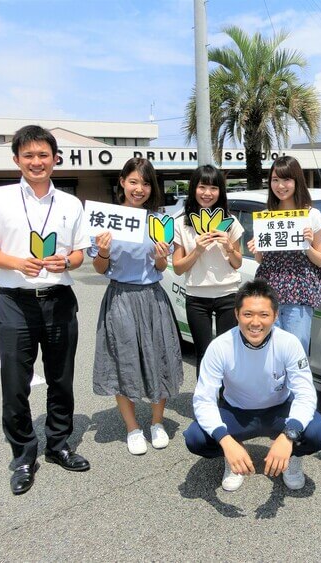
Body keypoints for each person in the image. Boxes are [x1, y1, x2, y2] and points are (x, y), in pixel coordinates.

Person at [0, 125, 91, 496]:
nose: (37, 162)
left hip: (58, 300)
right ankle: (24, 455)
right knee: (14, 383)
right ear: (17, 160)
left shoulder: (71, 204)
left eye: (43, 155)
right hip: (15, 302)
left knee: (61, 379)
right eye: (29, 156)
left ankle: (58, 445)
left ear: (55, 159)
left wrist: (67, 262)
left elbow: (79, 251)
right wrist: (15, 263)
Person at [183, 279, 321, 492]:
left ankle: (292, 456)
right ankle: (234, 454)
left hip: (279, 410)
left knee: (319, 432)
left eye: (264, 315)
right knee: (195, 438)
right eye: (248, 314)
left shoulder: (288, 343)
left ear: (275, 316)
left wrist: (290, 435)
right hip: (237, 412)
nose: (255, 323)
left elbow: (305, 393)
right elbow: (204, 399)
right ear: (236, 314)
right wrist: (225, 441)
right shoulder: (219, 347)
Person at [90, 157, 183, 456]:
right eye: (133, 182)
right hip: (119, 297)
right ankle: (132, 427)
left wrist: (160, 256)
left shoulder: (160, 221)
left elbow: (160, 265)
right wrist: (103, 252)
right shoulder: (108, 219)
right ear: (122, 182)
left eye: (145, 183)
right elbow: (99, 268)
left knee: (159, 358)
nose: (139, 189)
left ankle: (157, 423)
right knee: (122, 360)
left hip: (152, 297)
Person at [246, 156, 321, 355]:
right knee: (269, 353)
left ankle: (296, 388)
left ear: (296, 181)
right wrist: (257, 250)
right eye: (275, 180)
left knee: (295, 353)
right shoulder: (267, 216)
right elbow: (261, 260)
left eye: (286, 180)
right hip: (268, 292)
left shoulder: (312, 215)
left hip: (298, 292)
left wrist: (307, 246)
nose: (280, 186)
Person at [172, 164, 244, 378]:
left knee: (227, 353)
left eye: (214, 188)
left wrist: (229, 247)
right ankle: (206, 403)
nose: (207, 193)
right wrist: (197, 249)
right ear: (194, 189)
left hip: (228, 295)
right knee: (204, 353)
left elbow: (237, 263)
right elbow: (177, 268)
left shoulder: (230, 222)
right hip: (197, 297)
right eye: (202, 187)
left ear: (220, 192)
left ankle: (226, 402)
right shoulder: (182, 224)